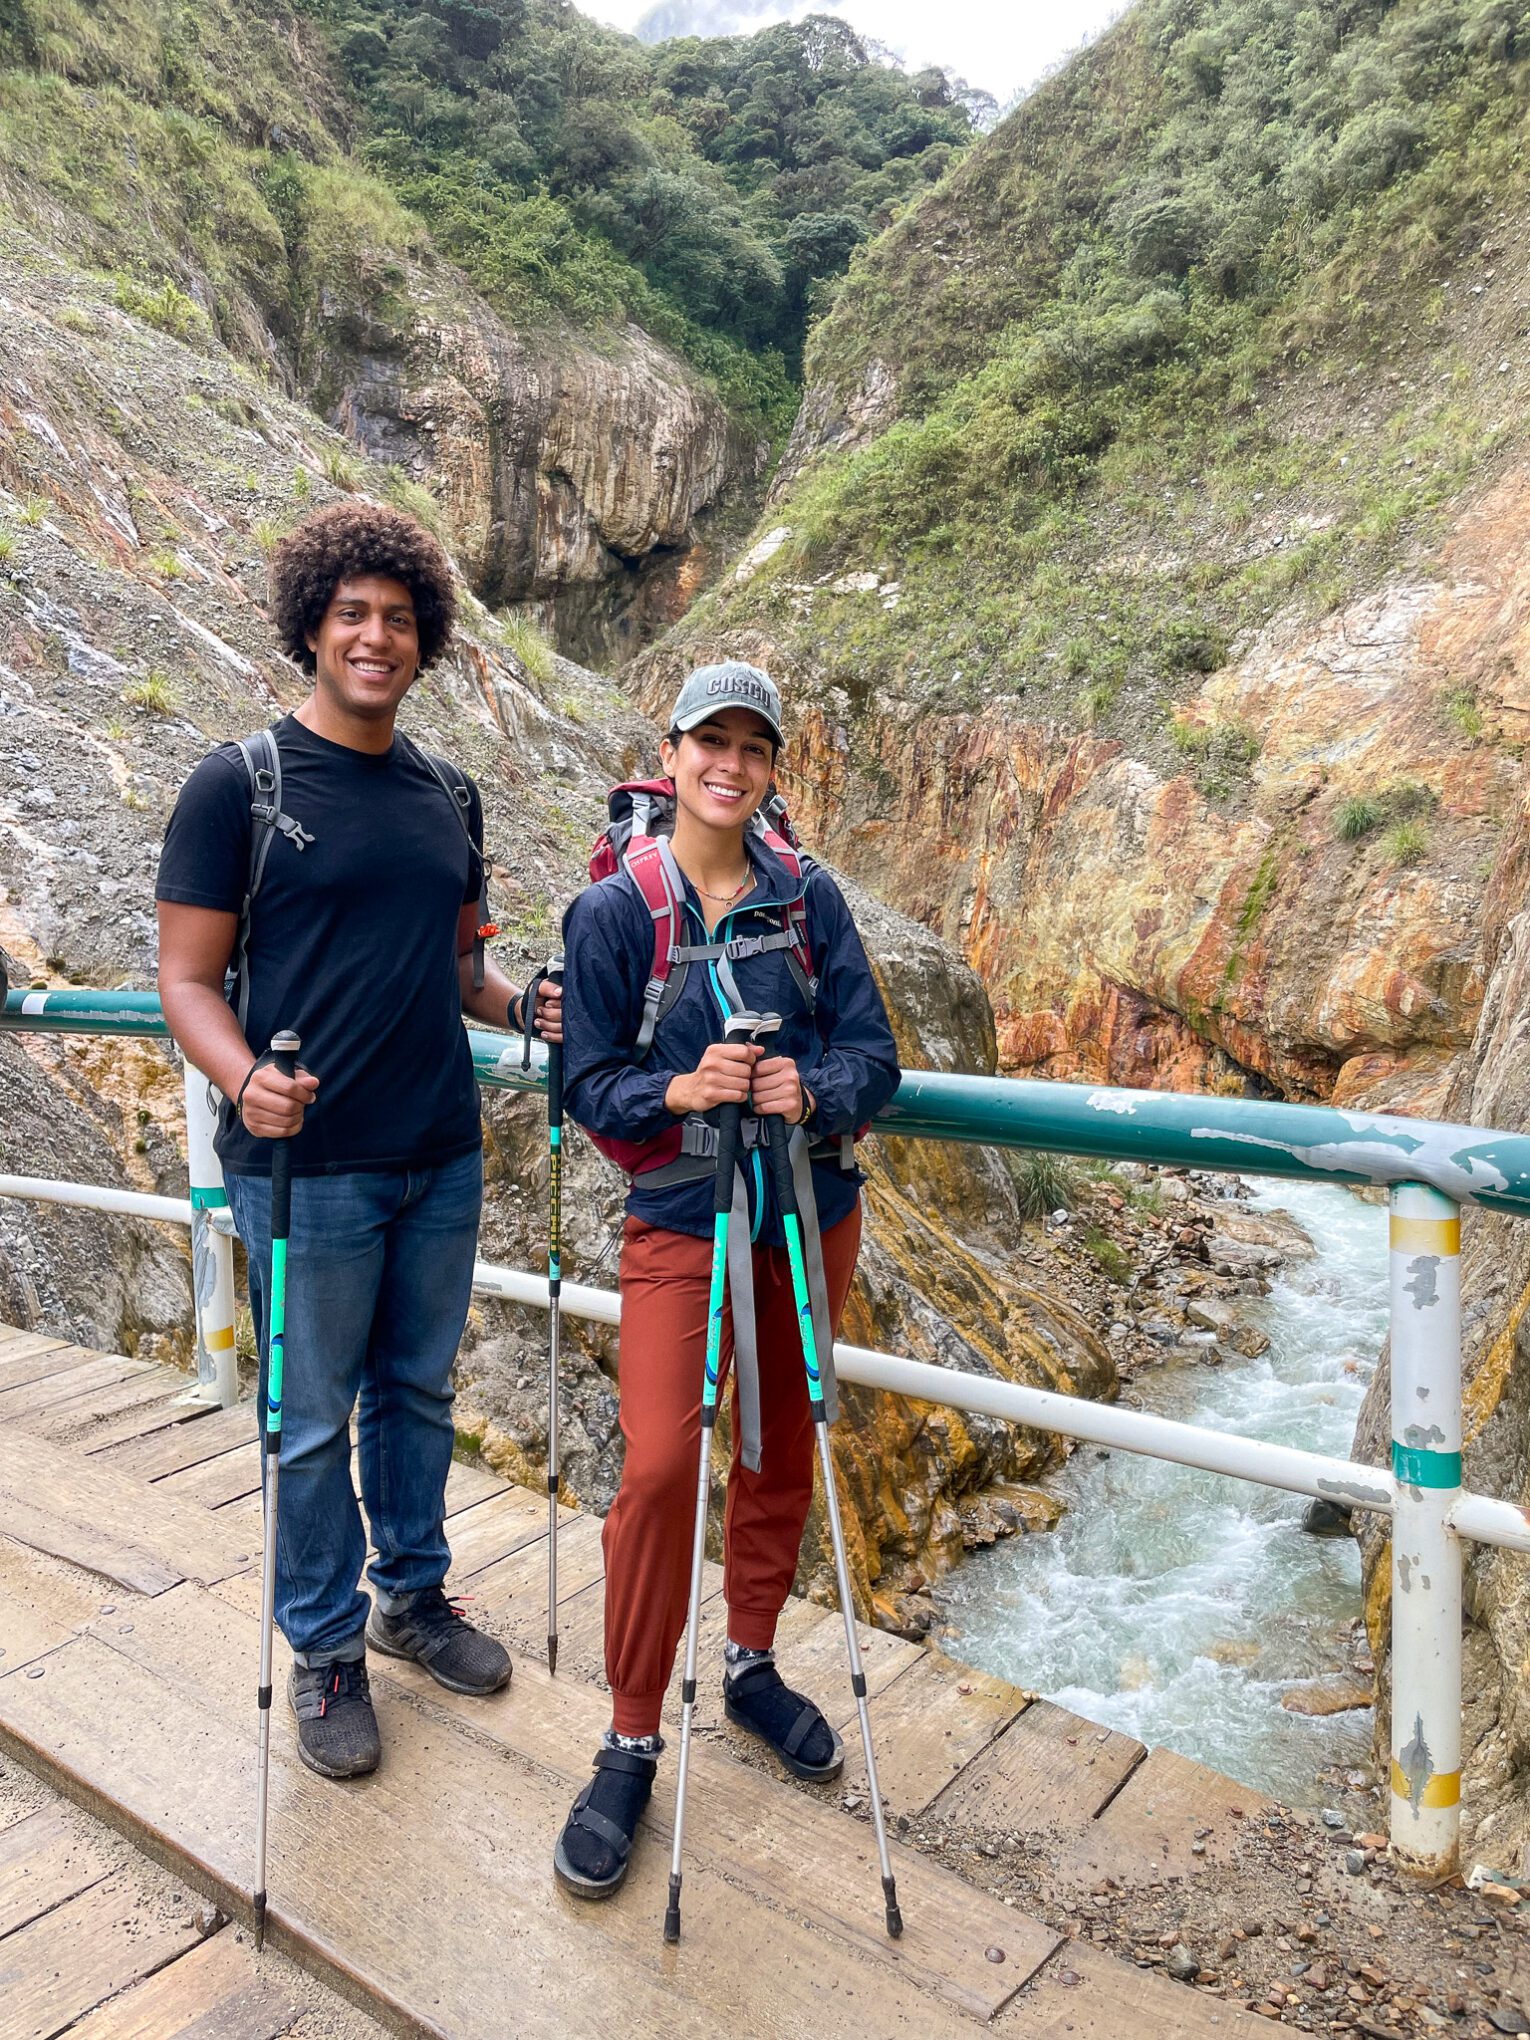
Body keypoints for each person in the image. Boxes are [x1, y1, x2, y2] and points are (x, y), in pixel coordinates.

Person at [155, 501, 560, 1782]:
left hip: (440, 1147)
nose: (375, 636)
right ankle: (324, 1643)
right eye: (352, 616)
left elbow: (458, 968)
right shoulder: (240, 786)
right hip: (303, 1165)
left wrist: (525, 1006)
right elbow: (184, 979)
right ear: (313, 630)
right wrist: (239, 1081)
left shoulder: (451, 792)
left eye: (396, 617)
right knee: (314, 1416)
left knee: (419, 1389)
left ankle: (413, 1597)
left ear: (424, 636)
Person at [553, 659, 900, 1898]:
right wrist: (681, 1090)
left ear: (768, 771)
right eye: (714, 741)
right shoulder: (613, 916)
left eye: (754, 748)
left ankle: (748, 1663)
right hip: (683, 1214)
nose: (732, 766)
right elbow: (588, 1087)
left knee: (779, 1443)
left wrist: (820, 1088)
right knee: (656, 1467)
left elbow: (875, 1053)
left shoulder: (810, 901)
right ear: (675, 748)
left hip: (806, 1210)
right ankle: (631, 1728)